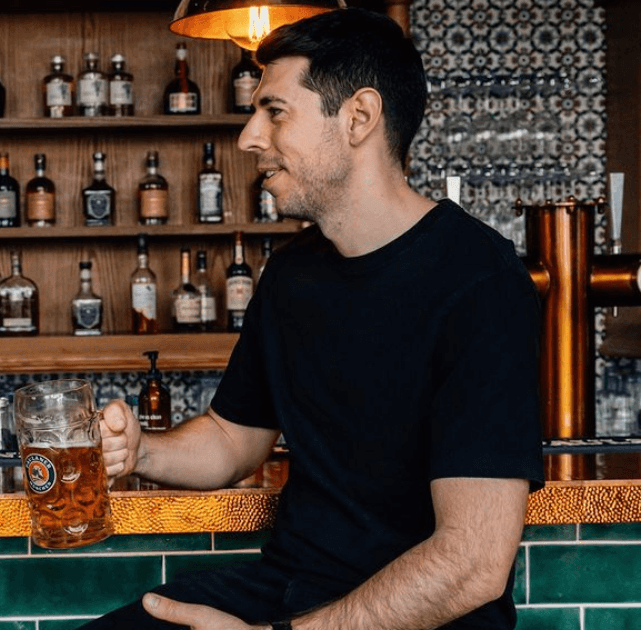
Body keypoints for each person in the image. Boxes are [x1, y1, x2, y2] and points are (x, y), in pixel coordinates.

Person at [83, 9, 543, 630]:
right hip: (288, 589)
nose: (248, 137)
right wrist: (142, 452)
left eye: (274, 112)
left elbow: (472, 561)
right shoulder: (293, 274)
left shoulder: (478, 280)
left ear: (358, 118)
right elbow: (230, 439)